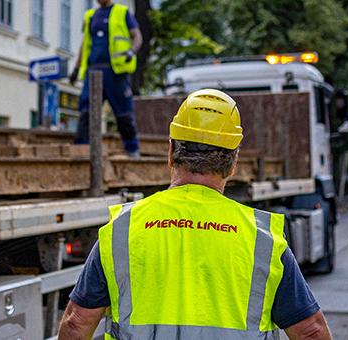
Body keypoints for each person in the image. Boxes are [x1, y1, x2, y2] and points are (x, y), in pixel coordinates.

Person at [58, 89, 333, 340]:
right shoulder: (261, 240)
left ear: (170, 152)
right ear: (233, 163)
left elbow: (75, 324)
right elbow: (310, 331)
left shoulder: (124, 230)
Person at [69, 0, 143, 158]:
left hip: (115, 72)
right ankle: (82, 147)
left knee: (123, 112)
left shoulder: (122, 12)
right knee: (86, 110)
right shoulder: (90, 16)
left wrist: (132, 51)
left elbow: (137, 36)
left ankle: (132, 149)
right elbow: (85, 44)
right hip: (93, 70)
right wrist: (76, 68)